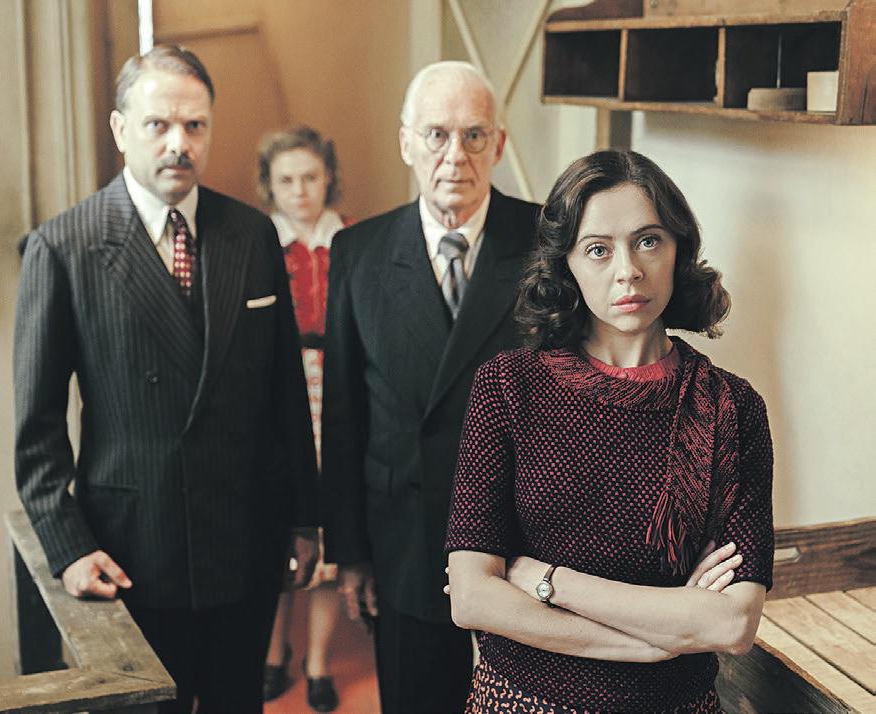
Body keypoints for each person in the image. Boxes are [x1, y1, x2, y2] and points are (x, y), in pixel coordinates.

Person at [13, 45, 319, 714]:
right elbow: (37, 430)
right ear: (121, 130)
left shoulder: (251, 234)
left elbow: (285, 393)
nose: (179, 143)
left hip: (244, 540)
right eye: (158, 124)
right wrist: (69, 547)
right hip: (131, 551)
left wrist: (304, 518)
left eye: (195, 125)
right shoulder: (64, 247)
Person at [445, 149, 774, 713]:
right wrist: (658, 641)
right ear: (567, 265)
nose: (628, 270)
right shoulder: (507, 386)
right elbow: (473, 597)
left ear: (679, 250)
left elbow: (731, 623)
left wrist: (548, 580)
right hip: (522, 702)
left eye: (648, 241)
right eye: (598, 249)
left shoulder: (733, 408)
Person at [321, 61, 542, 713]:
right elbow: (344, 415)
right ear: (406, 142)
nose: (455, 155)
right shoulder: (358, 252)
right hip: (404, 538)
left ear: (499, 145)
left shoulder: (547, 242)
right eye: (437, 135)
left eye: (474, 135)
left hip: (524, 540)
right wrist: (351, 554)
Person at [256, 125, 353, 713]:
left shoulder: (350, 240)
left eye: (310, 177)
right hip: (279, 395)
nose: (299, 190)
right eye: (286, 179)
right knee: (278, 525)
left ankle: (318, 661)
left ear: (328, 178)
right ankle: (272, 654)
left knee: (329, 530)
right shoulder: (259, 242)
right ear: (269, 185)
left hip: (336, 392)